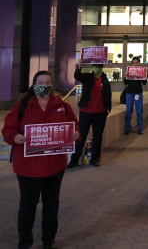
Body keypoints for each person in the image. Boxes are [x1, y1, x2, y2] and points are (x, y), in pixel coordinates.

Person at [2, 70, 80, 249]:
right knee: (28, 205)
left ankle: (48, 240)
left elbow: (73, 123)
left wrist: (76, 133)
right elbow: (8, 128)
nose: (44, 86)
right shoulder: (22, 106)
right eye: (40, 82)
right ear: (34, 85)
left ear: (52, 85)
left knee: (51, 204)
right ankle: (25, 242)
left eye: (47, 83)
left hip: (55, 166)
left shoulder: (62, 105)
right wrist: (14, 137)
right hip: (28, 167)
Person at [68, 61, 112, 168]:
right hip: (86, 112)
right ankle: (74, 160)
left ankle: (94, 159)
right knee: (81, 136)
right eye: (95, 66)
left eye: (99, 66)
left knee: (97, 137)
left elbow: (108, 94)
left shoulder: (105, 79)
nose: (97, 68)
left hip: (100, 113)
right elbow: (77, 76)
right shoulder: (88, 77)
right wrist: (79, 66)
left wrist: (108, 108)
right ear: (92, 67)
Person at [124, 56, 147, 135]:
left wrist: (146, 74)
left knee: (139, 111)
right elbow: (125, 83)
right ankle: (127, 128)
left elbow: (144, 83)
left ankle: (139, 129)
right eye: (134, 63)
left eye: (136, 63)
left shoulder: (141, 72)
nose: (135, 64)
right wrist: (125, 76)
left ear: (139, 63)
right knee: (128, 111)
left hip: (138, 93)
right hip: (129, 93)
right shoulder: (129, 71)